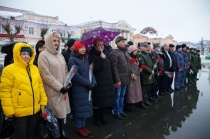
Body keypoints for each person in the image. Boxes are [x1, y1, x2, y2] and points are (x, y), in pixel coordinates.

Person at [0, 43, 47, 139]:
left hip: (34, 110)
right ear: (18, 54)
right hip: (19, 111)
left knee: (32, 134)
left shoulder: (35, 68)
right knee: (20, 135)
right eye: (23, 53)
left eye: (28, 54)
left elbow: (40, 86)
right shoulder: (9, 70)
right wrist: (9, 111)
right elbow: (5, 92)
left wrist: (43, 103)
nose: (26, 56)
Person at [38, 32, 70, 138]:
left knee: (61, 116)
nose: (56, 43)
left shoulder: (60, 55)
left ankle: (60, 133)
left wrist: (68, 82)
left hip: (63, 91)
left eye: (57, 41)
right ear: (48, 41)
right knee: (53, 117)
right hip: (53, 92)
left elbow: (65, 70)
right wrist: (60, 87)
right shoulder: (43, 55)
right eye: (54, 40)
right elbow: (46, 75)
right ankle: (55, 135)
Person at [68, 41, 96, 137]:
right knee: (79, 109)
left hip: (87, 88)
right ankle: (79, 127)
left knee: (85, 108)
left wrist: (94, 82)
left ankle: (83, 125)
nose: (83, 49)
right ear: (76, 49)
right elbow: (75, 76)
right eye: (81, 48)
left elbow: (90, 72)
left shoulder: (85, 59)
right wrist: (88, 83)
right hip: (78, 89)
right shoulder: (72, 60)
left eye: (84, 47)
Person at [88, 38, 115, 127]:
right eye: (99, 45)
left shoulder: (104, 54)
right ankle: (97, 120)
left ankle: (102, 118)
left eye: (102, 44)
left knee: (104, 103)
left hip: (106, 82)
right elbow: (95, 69)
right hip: (98, 83)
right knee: (97, 103)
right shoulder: (92, 55)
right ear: (94, 46)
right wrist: (101, 58)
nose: (101, 46)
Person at [110, 36, 130, 120]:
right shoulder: (114, 52)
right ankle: (116, 111)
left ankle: (121, 110)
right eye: (122, 41)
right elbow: (114, 68)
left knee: (122, 95)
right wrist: (117, 80)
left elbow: (128, 65)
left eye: (124, 41)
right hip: (118, 80)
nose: (124, 43)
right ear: (117, 42)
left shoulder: (124, 52)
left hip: (125, 78)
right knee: (117, 96)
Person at [125, 45, 142, 112]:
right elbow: (128, 67)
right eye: (134, 50)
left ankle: (134, 104)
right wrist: (131, 73)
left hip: (137, 76)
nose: (136, 52)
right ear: (131, 51)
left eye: (136, 50)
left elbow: (137, 64)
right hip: (131, 77)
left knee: (136, 91)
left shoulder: (136, 57)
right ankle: (129, 105)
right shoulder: (129, 58)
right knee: (130, 92)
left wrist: (140, 68)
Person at [139, 42, 154, 107]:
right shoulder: (140, 55)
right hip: (145, 75)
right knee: (143, 90)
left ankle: (146, 100)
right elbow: (143, 65)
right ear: (141, 47)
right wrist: (150, 71)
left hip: (149, 75)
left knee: (147, 89)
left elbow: (149, 63)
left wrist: (153, 66)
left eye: (147, 47)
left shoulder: (147, 54)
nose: (146, 48)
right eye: (145, 47)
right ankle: (142, 102)